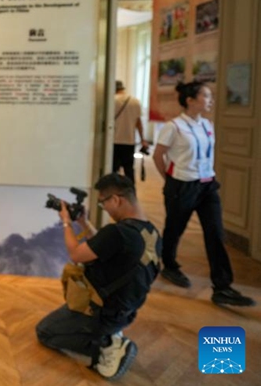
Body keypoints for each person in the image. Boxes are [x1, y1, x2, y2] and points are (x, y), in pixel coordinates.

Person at [36, 174, 161, 380]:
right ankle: (111, 334)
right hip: (125, 311)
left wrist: (66, 223)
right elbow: (100, 247)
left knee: (45, 332)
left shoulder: (117, 232)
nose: (106, 209)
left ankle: (106, 345)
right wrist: (84, 223)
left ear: (116, 200)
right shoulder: (150, 232)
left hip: (99, 309)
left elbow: (76, 254)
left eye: (104, 203)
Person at [152, 81, 256, 306]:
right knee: (174, 229)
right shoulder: (174, 126)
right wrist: (170, 181)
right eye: (206, 96)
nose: (210, 100)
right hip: (182, 186)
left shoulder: (208, 125)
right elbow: (158, 155)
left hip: (208, 186)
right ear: (190, 100)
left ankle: (222, 287)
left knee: (216, 233)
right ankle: (169, 264)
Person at [113, 81, 148, 184]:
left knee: (113, 170)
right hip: (129, 141)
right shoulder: (135, 101)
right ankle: (131, 194)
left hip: (114, 141)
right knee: (129, 170)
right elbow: (138, 123)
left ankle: (113, 194)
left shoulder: (112, 101)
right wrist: (142, 139)